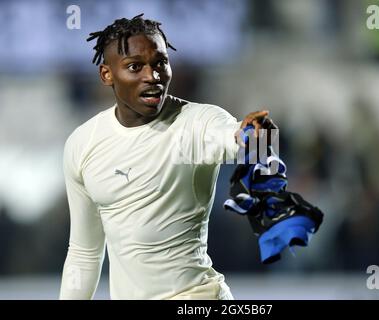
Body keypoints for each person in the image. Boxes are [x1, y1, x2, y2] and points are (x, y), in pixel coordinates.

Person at [59, 14, 275, 300]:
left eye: (160, 63)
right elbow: (84, 253)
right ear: (107, 75)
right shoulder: (83, 144)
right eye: (135, 66)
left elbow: (240, 142)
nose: (153, 76)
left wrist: (256, 138)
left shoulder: (196, 123)